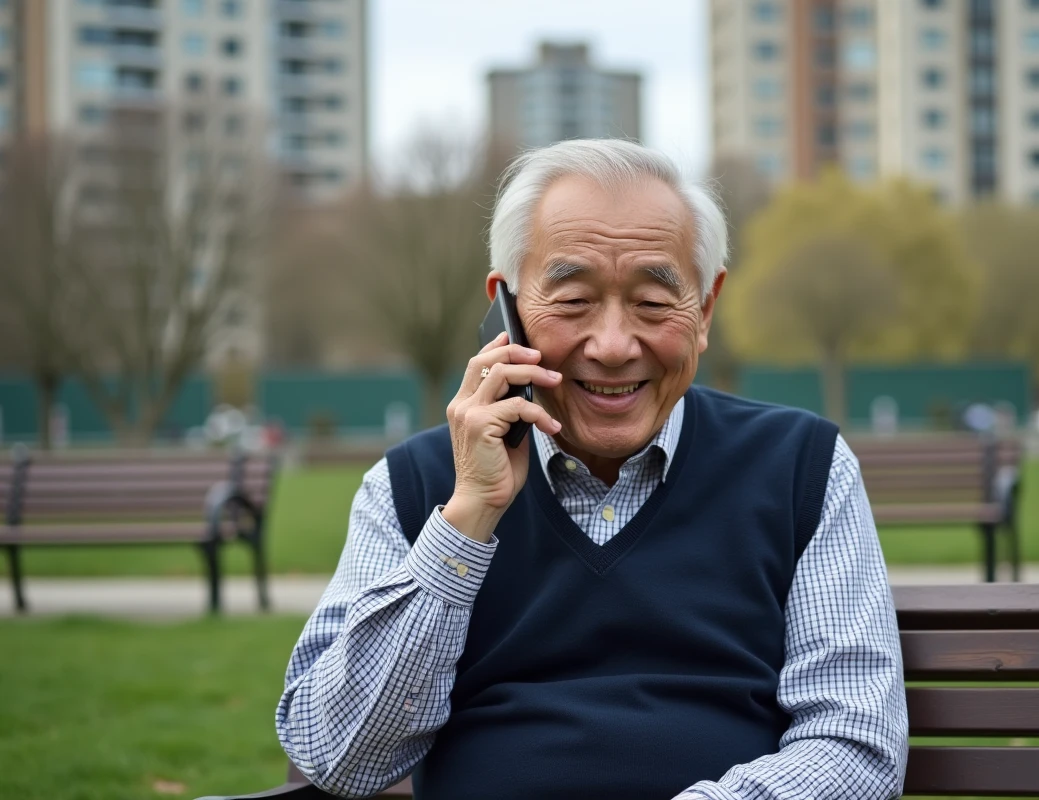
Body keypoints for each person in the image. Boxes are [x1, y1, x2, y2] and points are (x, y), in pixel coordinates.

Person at [276, 139, 907, 800]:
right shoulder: (413, 488)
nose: (611, 346)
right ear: (508, 307)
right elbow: (340, 761)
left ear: (706, 309)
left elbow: (855, 745)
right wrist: (466, 524)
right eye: (573, 301)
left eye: (653, 302)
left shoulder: (802, 469)